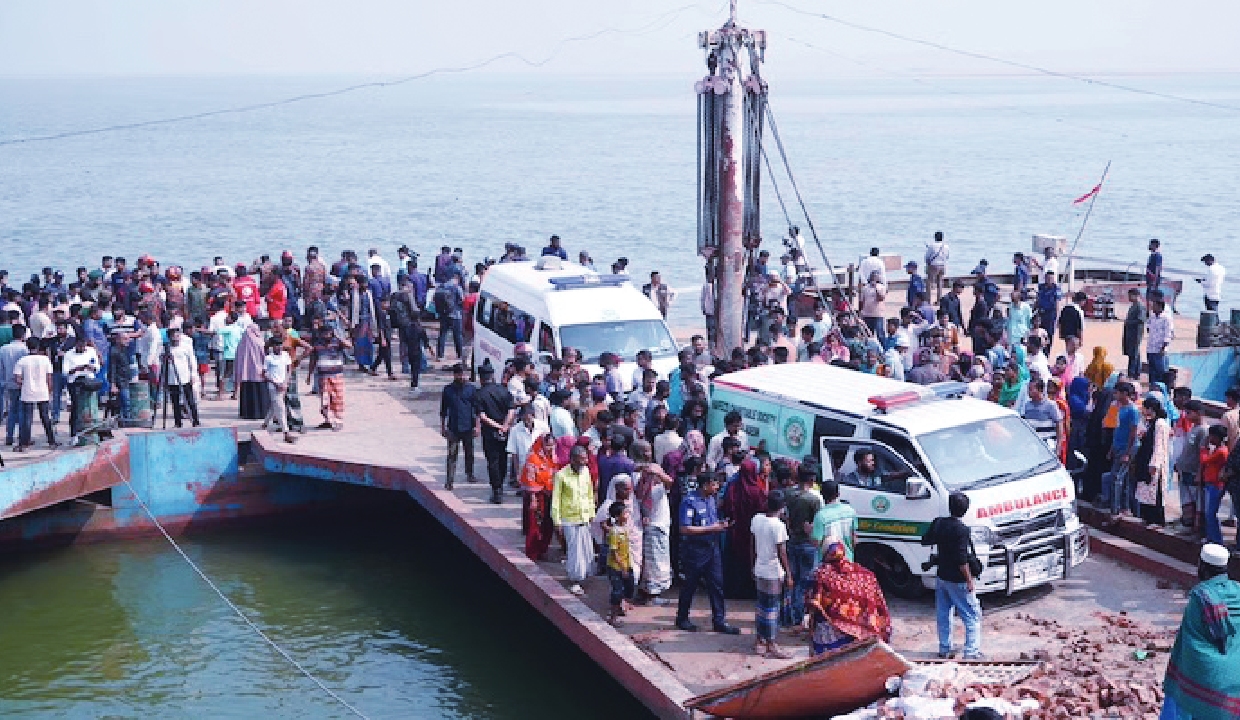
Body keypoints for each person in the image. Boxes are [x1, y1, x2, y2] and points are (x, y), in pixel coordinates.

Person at [1160, 544, 1240, 720]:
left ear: (1202, 567)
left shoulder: (1200, 598)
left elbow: (1187, 643)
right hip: (1236, 683)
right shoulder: (1238, 591)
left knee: (1185, 694)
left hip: (1209, 684)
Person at [675, 472, 740, 635]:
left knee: (717, 585)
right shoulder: (689, 502)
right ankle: (682, 618)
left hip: (712, 548)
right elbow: (684, 528)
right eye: (714, 484)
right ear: (705, 485)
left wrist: (721, 525)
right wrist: (712, 528)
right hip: (695, 551)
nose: (717, 487)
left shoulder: (712, 500)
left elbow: (711, 522)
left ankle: (719, 620)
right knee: (690, 585)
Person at [803, 541, 893, 655]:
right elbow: (876, 598)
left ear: (826, 553)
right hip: (862, 627)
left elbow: (811, 599)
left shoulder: (821, 574)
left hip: (831, 628)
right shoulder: (865, 574)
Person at [922, 491, 982, 659]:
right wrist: (969, 580)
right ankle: (971, 652)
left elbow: (925, 539)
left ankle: (944, 648)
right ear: (965, 510)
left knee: (944, 613)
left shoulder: (939, 523)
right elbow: (961, 559)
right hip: (958, 579)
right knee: (972, 615)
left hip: (942, 576)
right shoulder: (961, 530)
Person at [751, 490, 793, 659]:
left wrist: (752, 564)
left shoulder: (756, 519)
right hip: (773, 572)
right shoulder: (778, 526)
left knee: (761, 606)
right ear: (782, 507)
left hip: (759, 568)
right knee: (772, 609)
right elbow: (782, 552)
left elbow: (751, 544)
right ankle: (771, 643)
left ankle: (759, 639)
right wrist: (789, 574)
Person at [633, 440, 675, 604]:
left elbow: (668, 483)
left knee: (654, 561)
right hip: (652, 524)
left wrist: (658, 473)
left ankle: (647, 593)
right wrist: (655, 474)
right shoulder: (639, 475)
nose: (649, 454)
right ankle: (650, 595)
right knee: (653, 563)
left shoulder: (652, 472)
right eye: (646, 451)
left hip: (658, 522)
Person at [720, 457, 769, 599]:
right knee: (750, 557)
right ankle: (749, 590)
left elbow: (727, 506)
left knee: (734, 560)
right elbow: (762, 508)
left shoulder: (733, 488)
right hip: (752, 531)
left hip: (735, 530)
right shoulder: (757, 490)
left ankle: (733, 589)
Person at [552, 445, 596, 596]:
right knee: (575, 551)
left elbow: (589, 494)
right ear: (572, 460)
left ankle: (583, 576)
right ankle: (575, 580)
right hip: (569, 518)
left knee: (586, 549)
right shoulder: (561, 475)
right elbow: (556, 500)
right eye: (581, 460)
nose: (584, 462)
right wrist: (557, 521)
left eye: (585, 459)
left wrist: (592, 512)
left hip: (585, 517)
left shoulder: (586, 472)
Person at [784, 465, 823, 627]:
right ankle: (798, 618)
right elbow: (818, 523)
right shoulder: (815, 499)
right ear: (812, 479)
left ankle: (787, 616)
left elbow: (785, 516)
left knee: (791, 580)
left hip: (791, 540)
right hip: (808, 544)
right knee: (804, 583)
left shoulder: (788, 494)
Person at [475, 361, 515, 504]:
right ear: (492, 376)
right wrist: (504, 426)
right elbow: (511, 411)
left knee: (492, 461)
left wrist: (498, 426)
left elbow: (483, 416)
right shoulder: (504, 391)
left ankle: (496, 490)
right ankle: (500, 486)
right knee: (503, 459)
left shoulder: (479, 394)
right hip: (505, 431)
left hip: (490, 432)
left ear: (481, 378)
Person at [12, 337, 57, 450]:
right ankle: (51, 441)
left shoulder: (22, 361)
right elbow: (49, 378)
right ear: (38, 347)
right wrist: (49, 391)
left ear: (27, 347)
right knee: (45, 417)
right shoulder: (45, 360)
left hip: (28, 392)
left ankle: (24, 443)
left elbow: (17, 379)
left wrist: (25, 383)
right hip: (43, 391)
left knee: (27, 418)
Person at [1133, 396, 1171, 526]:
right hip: (1145, 459)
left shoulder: (1160, 424)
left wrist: (1154, 464)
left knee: (1156, 493)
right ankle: (1147, 518)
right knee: (1145, 491)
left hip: (1154, 462)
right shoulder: (1150, 423)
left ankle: (1157, 520)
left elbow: (1159, 445)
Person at [440, 363, 479, 490]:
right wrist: (442, 427)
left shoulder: (471, 390)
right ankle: (449, 480)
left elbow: (477, 409)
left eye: (464, 374)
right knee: (451, 455)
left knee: (469, 452)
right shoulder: (448, 390)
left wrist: (477, 426)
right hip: (453, 427)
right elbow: (443, 410)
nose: (463, 377)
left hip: (468, 426)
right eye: (460, 374)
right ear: (455, 375)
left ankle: (470, 473)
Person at [307, 317, 350, 431]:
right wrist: (309, 375)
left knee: (337, 399)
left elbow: (349, 345)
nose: (326, 335)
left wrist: (338, 336)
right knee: (325, 400)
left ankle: (338, 421)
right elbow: (313, 360)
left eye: (329, 333)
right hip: (323, 376)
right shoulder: (317, 344)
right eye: (324, 333)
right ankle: (328, 421)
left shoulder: (337, 342)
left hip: (337, 375)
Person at [603, 500, 636, 625]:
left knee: (629, 588)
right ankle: (613, 617)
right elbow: (614, 553)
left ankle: (622, 606)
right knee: (617, 591)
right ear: (617, 516)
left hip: (627, 565)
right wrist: (623, 568)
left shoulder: (624, 529)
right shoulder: (615, 532)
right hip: (616, 567)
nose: (627, 515)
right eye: (625, 513)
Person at [62, 333, 100, 439]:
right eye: (80, 346)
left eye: (83, 346)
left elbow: (97, 367)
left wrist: (90, 367)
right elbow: (65, 372)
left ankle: (91, 429)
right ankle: (74, 434)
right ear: (76, 345)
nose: (82, 348)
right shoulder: (69, 354)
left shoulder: (91, 351)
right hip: (75, 381)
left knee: (90, 406)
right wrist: (77, 368)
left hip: (89, 380)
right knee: (76, 408)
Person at [165, 326, 200, 429]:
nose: (176, 338)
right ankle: (178, 422)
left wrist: (193, 374)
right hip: (172, 379)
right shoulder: (167, 348)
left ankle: (195, 420)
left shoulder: (186, 347)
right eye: (174, 336)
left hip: (185, 377)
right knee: (175, 402)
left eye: (178, 335)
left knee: (190, 401)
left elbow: (192, 361)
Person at [1199, 425, 1229, 545]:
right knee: (1208, 513)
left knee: (1210, 514)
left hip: (1215, 486)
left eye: (1211, 436)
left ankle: (1216, 539)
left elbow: (1204, 460)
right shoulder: (1217, 449)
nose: (1209, 438)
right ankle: (1211, 537)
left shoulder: (1221, 451)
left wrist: (1203, 449)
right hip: (1210, 484)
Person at [1, 324, 30, 444]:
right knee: (22, 410)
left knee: (12, 410)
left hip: (9, 381)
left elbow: (1, 368)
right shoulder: (24, 349)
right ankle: (22, 436)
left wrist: (3, 381)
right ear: (23, 335)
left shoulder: (3, 349)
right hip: (22, 382)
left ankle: (9, 435)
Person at [234, 322, 269, 421]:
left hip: (245, 374)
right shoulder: (260, 342)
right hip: (259, 373)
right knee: (259, 394)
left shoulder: (241, 343)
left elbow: (238, 360)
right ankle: (261, 413)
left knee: (247, 393)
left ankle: (247, 413)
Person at [1146, 295, 1174, 387]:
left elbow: (1168, 334)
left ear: (1160, 307)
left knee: (1161, 371)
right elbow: (1148, 327)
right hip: (1151, 348)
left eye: (1154, 306)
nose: (1152, 308)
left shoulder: (1166, 318)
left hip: (1160, 349)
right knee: (1152, 370)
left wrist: (1163, 347)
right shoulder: (1152, 316)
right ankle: (1152, 386)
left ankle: (1163, 387)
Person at [1120, 287, 1147, 380]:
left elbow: (1141, 320)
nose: (1129, 297)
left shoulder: (1140, 306)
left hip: (1135, 334)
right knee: (1134, 353)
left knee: (1134, 354)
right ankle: (1135, 372)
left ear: (1136, 296)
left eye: (1130, 295)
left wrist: (1129, 322)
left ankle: (1132, 373)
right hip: (1130, 333)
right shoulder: (1133, 306)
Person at [924, 231, 949, 302]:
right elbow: (947, 256)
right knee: (940, 283)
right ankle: (939, 300)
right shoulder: (946, 246)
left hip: (933, 265)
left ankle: (928, 300)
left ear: (935, 237)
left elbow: (927, 257)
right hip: (942, 265)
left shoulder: (932, 246)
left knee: (929, 283)